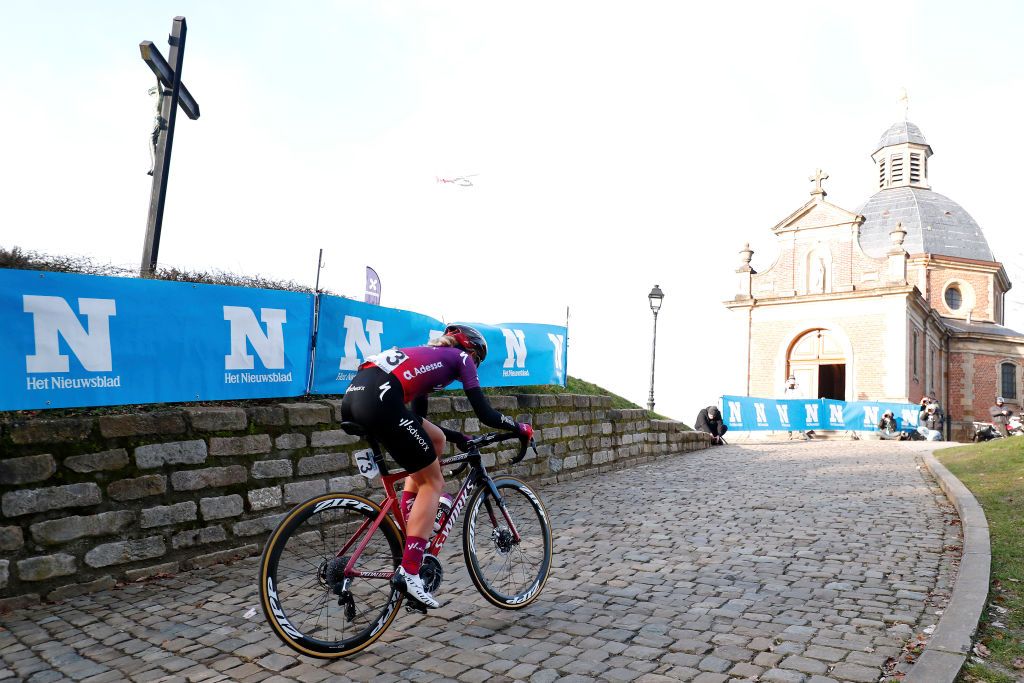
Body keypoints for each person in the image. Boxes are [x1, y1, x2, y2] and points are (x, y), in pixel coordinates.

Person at [340, 324, 532, 609]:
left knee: (436, 441)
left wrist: (459, 438)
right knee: (433, 482)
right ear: (471, 351)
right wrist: (519, 428)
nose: (474, 366)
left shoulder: (426, 358)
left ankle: (410, 525)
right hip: (381, 400)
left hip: (355, 397)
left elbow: (417, 420)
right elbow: (486, 414)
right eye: (477, 360)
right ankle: (411, 570)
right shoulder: (461, 358)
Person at [783, 375, 809, 440]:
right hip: (789, 405)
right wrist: (786, 387)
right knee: (790, 419)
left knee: (799, 419)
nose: (792, 381)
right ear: (788, 380)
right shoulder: (786, 387)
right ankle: (789, 434)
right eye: (791, 379)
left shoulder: (798, 387)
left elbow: (802, 395)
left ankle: (801, 433)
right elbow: (783, 395)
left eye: (793, 379)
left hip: (797, 405)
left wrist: (797, 387)